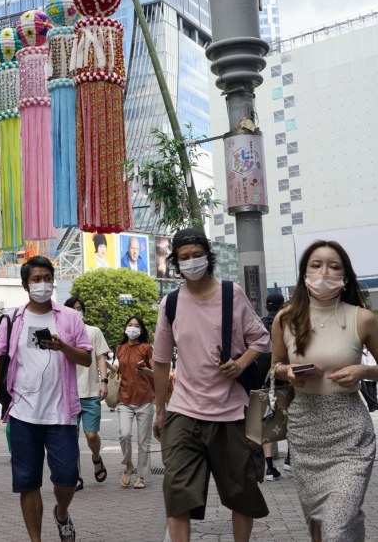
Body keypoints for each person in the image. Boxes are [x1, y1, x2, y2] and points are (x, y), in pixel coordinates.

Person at [271, 240, 378, 541]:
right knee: (317, 518)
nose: (324, 272)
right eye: (316, 265)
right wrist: (286, 371)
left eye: (334, 266)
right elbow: (274, 365)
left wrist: (363, 370)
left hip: (350, 431)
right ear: (304, 273)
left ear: (345, 276)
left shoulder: (362, 318)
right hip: (305, 430)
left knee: (338, 523)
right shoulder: (285, 319)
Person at [152, 227, 270, 542]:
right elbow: (161, 360)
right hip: (184, 411)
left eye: (196, 255)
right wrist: (160, 410)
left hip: (232, 413)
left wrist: (240, 364)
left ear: (208, 256)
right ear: (176, 262)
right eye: (184, 257)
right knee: (177, 492)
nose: (191, 262)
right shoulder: (171, 303)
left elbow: (260, 339)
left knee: (241, 492)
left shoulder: (232, 294)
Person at [0, 256, 92, 542]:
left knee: (67, 480)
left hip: (61, 414)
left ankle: (62, 512)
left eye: (46, 278)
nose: (42, 284)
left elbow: (87, 358)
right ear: (25, 284)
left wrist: (62, 346)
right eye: (36, 279)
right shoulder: (11, 318)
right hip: (22, 415)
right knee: (27, 483)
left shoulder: (70, 318)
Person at [64, 296, 110, 490]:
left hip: (91, 392)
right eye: (73, 308)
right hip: (68, 394)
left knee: (91, 435)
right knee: (70, 438)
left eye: (79, 308)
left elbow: (101, 358)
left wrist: (103, 382)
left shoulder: (93, 331)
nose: (77, 311)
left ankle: (96, 457)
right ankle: (77, 476)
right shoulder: (61, 334)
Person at [107, 316, 154, 489]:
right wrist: (106, 366)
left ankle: (141, 476)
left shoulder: (147, 348)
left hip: (145, 399)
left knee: (144, 441)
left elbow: (156, 373)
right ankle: (128, 465)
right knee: (124, 434)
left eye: (136, 326)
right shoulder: (119, 348)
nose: (132, 328)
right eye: (130, 325)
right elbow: (118, 370)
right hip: (124, 398)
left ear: (141, 330)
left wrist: (146, 370)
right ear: (125, 328)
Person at [259, 292, 286, 480]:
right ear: (281, 305)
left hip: (263, 380)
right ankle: (291, 460)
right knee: (293, 416)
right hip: (285, 376)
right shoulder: (286, 322)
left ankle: (269, 467)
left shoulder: (259, 323)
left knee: (267, 421)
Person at [360, 346, 378, 412]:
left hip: (371, 373)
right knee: (370, 390)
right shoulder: (365, 352)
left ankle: (374, 405)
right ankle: (373, 405)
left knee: (373, 390)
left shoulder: (372, 352)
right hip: (368, 374)